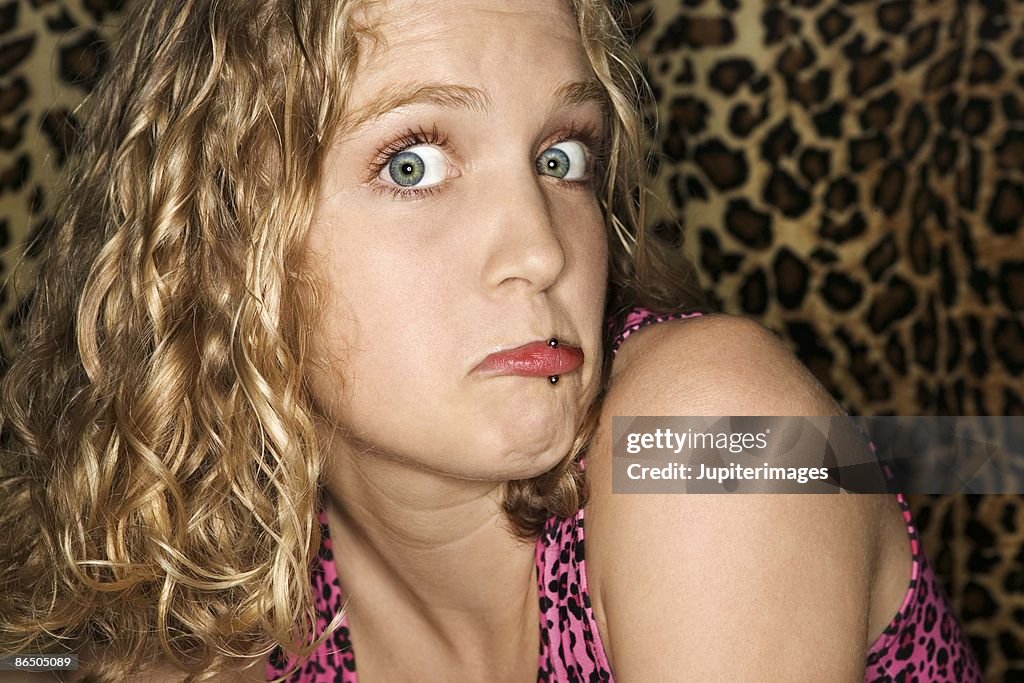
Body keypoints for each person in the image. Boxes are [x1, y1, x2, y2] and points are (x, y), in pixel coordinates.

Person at [0, 0, 982, 681]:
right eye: (413, 160)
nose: (540, 247)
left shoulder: (712, 437)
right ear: (221, 247)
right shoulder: (217, 626)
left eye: (561, 156)